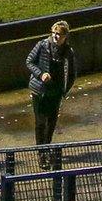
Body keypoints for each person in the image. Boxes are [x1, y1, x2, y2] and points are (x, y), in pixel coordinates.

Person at [26, 21, 77, 160]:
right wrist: (41, 74)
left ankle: (46, 147)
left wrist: (64, 90)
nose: (55, 36)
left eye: (59, 34)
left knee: (51, 123)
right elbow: (29, 61)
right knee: (40, 122)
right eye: (53, 33)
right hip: (40, 90)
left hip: (55, 92)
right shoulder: (42, 45)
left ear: (65, 36)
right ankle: (41, 153)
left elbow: (72, 74)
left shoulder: (68, 52)